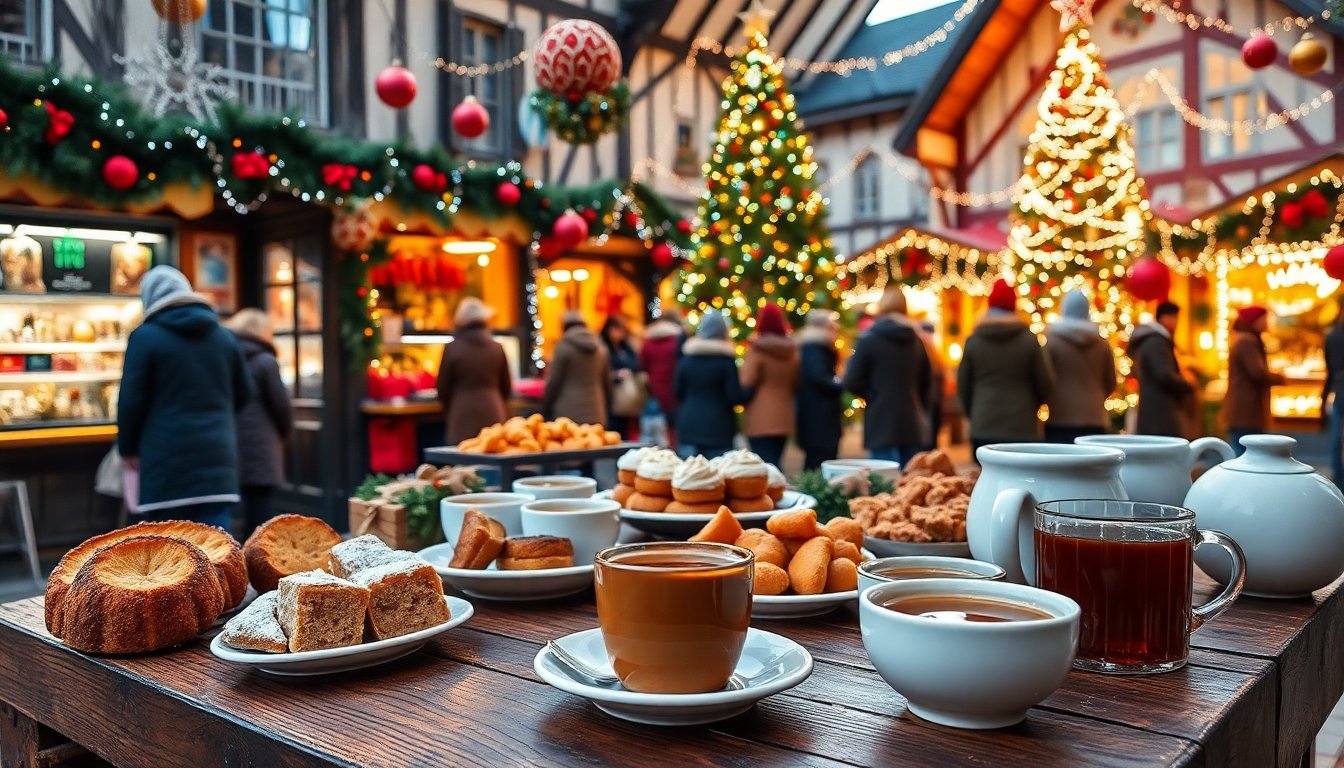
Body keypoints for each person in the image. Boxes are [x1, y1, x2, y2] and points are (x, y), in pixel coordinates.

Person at [117, 266, 252, 530]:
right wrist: (217, 420)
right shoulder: (225, 337)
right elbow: (245, 393)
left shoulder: (145, 338)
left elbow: (131, 401)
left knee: (168, 552)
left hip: (164, 460)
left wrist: (128, 448)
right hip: (217, 458)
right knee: (216, 549)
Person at [957, 279, 1054, 455]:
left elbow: (963, 385)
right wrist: (1032, 406)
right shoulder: (1029, 340)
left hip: (984, 421)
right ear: (1013, 305)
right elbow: (1045, 382)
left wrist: (974, 412)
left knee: (983, 478)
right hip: (1021, 425)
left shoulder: (974, 341)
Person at [222, 308, 293, 536]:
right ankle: (255, 563)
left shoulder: (225, 357)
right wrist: (284, 433)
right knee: (259, 510)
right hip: (260, 443)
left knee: (230, 509)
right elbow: (281, 406)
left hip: (228, 440)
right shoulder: (265, 361)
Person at [843, 287, 932, 466]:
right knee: (910, 482)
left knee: (883, 482)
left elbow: (851, 380)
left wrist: (872, 394)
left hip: (880, 419)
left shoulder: (868, 339)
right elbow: (927, 382)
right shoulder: (916, 341)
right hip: (911, 421)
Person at [1043, 289, 1117, 442]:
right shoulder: (1102, 344)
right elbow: (1111, 383)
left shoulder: (1052, 341)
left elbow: (1044, 380)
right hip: (1095, 418)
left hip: (1060, 418)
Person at [675, 310, 750, 458]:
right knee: (718, 478)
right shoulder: (726, 361)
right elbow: (734, 395)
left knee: (689, 477)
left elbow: (678, 392)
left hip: (689, 425)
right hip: (719, 428)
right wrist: (751, 390)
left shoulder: (687, 359)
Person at [438, 298, 512, 444]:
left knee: (462, 460)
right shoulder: (496, 348)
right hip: (494, 410)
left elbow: (443, 387)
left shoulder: (453, 348)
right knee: (493, 454)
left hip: (461, 414)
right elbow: (506, 386)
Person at [740, 303, 798, 467]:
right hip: (784, 415)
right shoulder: (791, 351)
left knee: (762, 467)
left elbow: (747, 381)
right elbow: (796, 382)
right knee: (776, 463)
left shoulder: (757, 349)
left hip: (759, 417)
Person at [1128, 301, 1195, 438]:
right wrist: (1187, 384)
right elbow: (1164, 375)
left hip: (1155, 411)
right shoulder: (1156, 341)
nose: (1177, 323)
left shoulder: (1152, 339)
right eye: (1175, 318)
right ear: (1165, 318)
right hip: (1161, 412)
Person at [1224, 305, 1285, 454]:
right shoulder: (1247, 341)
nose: (1267, 323)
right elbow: (1257, 373)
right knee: (1247, 455)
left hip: (1243, 411)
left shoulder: (1242, 338)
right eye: (1265, 319)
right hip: (1247, 411)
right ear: (1255, 320)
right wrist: (1280, 378)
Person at [543, 311, 611, 425]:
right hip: (596, 411)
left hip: (567, 413)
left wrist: (546, 407)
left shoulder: (563, 346)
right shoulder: (600, 347)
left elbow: (554, 382)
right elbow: (607, 383)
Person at [795, 310, 843, 470]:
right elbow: (819, 377)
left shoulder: (810, 346)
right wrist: (840, 383)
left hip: (816, 415)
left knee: (818, 459)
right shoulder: (814, 347)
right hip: (819, 416)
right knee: (820, 461)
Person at [640, 312, 685, 446]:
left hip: (655, 390)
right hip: (674, 389)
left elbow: (643, 365)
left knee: (657, 432)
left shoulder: (648, 342)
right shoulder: (678, 340)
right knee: (675, 431)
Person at [601, 315, 641, 436]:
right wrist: (615, 375)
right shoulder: (603, 348)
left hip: (626, 396)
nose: (619, 334)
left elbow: (636, 364)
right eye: (616, 330)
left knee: (625, 429)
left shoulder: (626, 347)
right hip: (610, 395)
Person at [1323, 313, 1344, 486]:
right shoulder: (1334, 336)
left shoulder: (1333, 335)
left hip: (1339, 392)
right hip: (1340, 392)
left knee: (1337, 439)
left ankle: (1338, 480)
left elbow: (1329, 370)